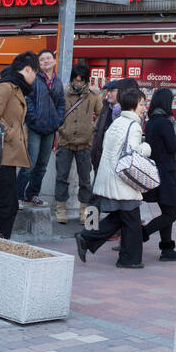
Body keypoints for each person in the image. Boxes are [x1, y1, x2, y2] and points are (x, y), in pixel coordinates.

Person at [75, 86, 151, 269]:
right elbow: (132, 153)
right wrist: (146, 148)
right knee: (131, 220)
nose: (144, 107)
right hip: (123, 180)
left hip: (109, 176)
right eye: (141, 104)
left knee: (121, 217)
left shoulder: (117, 122)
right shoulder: (133, 126)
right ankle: (128, 258)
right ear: (132, 105)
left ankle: (87, 238)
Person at [0, 51, 38, 238]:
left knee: (10, 206)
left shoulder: (16, 88)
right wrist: (11, 133)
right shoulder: (6, 87)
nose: (35, 77)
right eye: (35, 72)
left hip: (8, 155)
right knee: (5, 206)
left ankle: (1, 243)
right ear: (28, 69)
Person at [142, 87, 176, 261]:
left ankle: (167, 249)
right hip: (166, 173)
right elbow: (173, 146)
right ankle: (141, 234)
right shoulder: (165, 123)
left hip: (154, 171)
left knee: (166, 211)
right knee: (171, 213)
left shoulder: (151, 121)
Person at [55, 62, 101, 225]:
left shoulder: (93, 95)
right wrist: (61, 128)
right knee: (61, 176)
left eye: (82, 80)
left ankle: (84, 211)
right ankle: (60, 209)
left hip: (85, 143)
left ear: (86, 80)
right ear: (72, 79)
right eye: (76, 80)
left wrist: (92, 128)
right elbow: (56, 113)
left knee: (85, 179)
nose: (79, 83)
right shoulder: (63, 93)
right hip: (65, 141)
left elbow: (101, 114)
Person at [18, 48, 65, 206]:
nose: (46, 61)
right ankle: (17, 196)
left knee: (42, 166)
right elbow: (27, 100)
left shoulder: (57, 82)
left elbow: (61, 103)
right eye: (42, 59)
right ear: (38, 63)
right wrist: (33, 119)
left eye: (48, 58)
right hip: (35, 128)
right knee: (29, 164)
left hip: (50, 128)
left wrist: (58, 120)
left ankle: (32, 194)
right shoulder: (34, 79)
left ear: (54, 61)